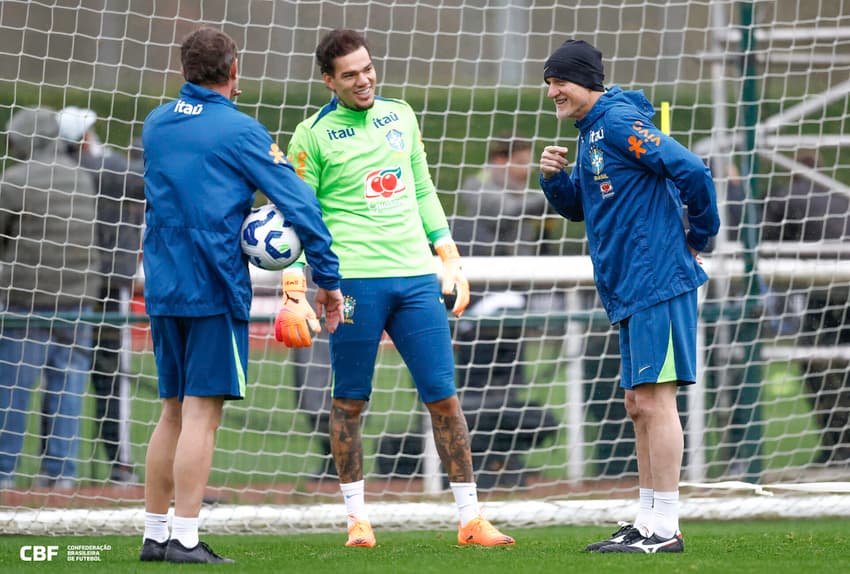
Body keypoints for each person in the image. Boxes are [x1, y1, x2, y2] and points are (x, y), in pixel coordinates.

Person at [284, 28, 514, 548]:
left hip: (415, 279)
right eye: (350, 75)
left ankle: (471, 519)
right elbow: (300, 215)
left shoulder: (401, 115)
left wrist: (449, 257)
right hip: (354, 284)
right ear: (329, 82)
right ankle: (357, 520)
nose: (364, 80)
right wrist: (295, 287)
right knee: (349, 401)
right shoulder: (312, 136)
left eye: (368, 68)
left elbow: (424, 187)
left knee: (444, 398)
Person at [138, 27, 343, 564]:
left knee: (172, 412)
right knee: (202, 414)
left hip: (161, 285)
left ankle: (154, 535)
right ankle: (185, 538)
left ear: (185, 71)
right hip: (212, 286)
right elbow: (298, 204)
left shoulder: (156, 124)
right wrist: (328, 276)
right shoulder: (240, 130)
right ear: (234, 70)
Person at [538, 39, 719, 553]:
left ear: (587, 81)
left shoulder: (616, 123)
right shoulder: (591, 131)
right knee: (638, 403)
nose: (552, 91)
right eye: (549, 82)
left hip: (656, 281)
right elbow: (581, 207)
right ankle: (646, 521)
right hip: (630, 286)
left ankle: (664, 528)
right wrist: (554, 181)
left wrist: (698, 236)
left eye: (560, 81)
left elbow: (691, 170)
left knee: (656, 401)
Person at [0, 107, 100, 490]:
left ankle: (4, 471)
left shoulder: (13, 180)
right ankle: (61, 474)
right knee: (68, 386)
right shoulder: (81, 177)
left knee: (13, 389)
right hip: (78, 300)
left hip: (25, 300)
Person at [52, 106, 145, 484]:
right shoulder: (104, 168)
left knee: (64, 375)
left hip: (71, 284)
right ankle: (118, 465)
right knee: (110, 380)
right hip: (105, 287)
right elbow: (141, 178)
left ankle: (56, 469)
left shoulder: (71, 170)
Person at [762, 151, 850, 464]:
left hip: (822, 295)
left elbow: (766, 244)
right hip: (842, 291)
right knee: (834, 367)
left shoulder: (786, 198)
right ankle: (839, 445)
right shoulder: (840, 195)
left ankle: (836, 445)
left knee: (814, 366)